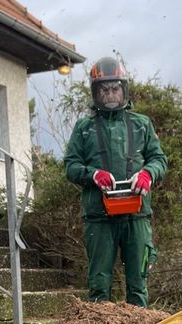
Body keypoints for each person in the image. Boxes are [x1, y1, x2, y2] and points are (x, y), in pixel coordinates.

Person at [64, 57, 167, 307]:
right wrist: (93, 175)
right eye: (104, 89)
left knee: (139, 283)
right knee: (99, 284)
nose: (110, 94)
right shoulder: (84, 127)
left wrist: (147, 174)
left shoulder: (141, 124)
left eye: (115, 88)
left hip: (137, 215)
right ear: (96, 92)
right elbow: (71, 166)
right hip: (99, 217)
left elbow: (159, 159)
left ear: (124, 90)